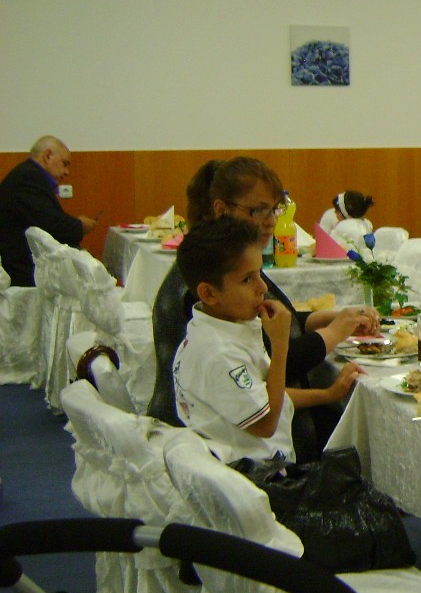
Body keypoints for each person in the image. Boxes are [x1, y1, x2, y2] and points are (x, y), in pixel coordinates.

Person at [149, 156, 379, 462]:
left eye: (275, 209)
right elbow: (271, 371)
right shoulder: (205, 283)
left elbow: (271, 322)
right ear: (222, 210)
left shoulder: (233, 264)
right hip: (216, 452)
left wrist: (324, 319)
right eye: (258, 210)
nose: (271, 220)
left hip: (243, 433)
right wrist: (333, 333)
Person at [172, 216, 363, 464]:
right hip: (254, 474)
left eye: (259, 273)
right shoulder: (220, 353)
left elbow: (262, 396)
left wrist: (328, 394)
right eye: (247, 279)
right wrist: (281, 343)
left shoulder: (213, 329)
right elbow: (266, 423)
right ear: (209, 293)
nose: (262, 287)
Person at [0, 135, 97, 287]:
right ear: (47, 156)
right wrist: (80, 225)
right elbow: (51, 225)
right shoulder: (28, 178)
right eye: (64, 164)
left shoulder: (28, 175)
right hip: (25, 270)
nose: (67, 172)